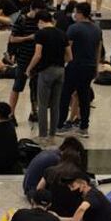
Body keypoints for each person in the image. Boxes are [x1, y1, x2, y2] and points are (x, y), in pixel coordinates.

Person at [58, 2, 100, 136]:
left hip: (75, 66)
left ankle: (60, 125)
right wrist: (96, 67)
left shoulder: (73, 28)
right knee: (84, 96)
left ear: (80, 13)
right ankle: (84, 127)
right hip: (90, 66)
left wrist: (64, 62)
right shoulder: (97, 29)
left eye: (76, 12)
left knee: (65, 95)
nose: (74, 15)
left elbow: (67, 47)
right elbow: (98, 50)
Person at [26, 10, 68, 141]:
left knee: (43, 105)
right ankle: (52, 135)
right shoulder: (62, 33)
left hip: (46, 71)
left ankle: (43, 135)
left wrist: (29, 69)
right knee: (55, 104)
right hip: (61, 70)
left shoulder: (41, 34)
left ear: (40, 21)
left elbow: (38, 55)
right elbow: (70, 56)